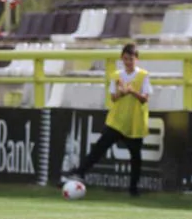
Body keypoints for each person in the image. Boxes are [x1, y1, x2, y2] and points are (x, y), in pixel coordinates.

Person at [63, 43, 151, 197]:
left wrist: (132, 92)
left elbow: (144, 99)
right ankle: (78, 173)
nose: (128, 62)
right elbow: (113, 98)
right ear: (121, 58)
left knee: (136, 158)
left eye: (131, 59)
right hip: (117, 121)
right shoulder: (116, 76)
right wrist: (122, 93)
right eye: (125, 59)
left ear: (136, 59)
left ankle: (133, 189)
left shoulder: (143, 76)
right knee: (99, 148)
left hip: (134, 123)